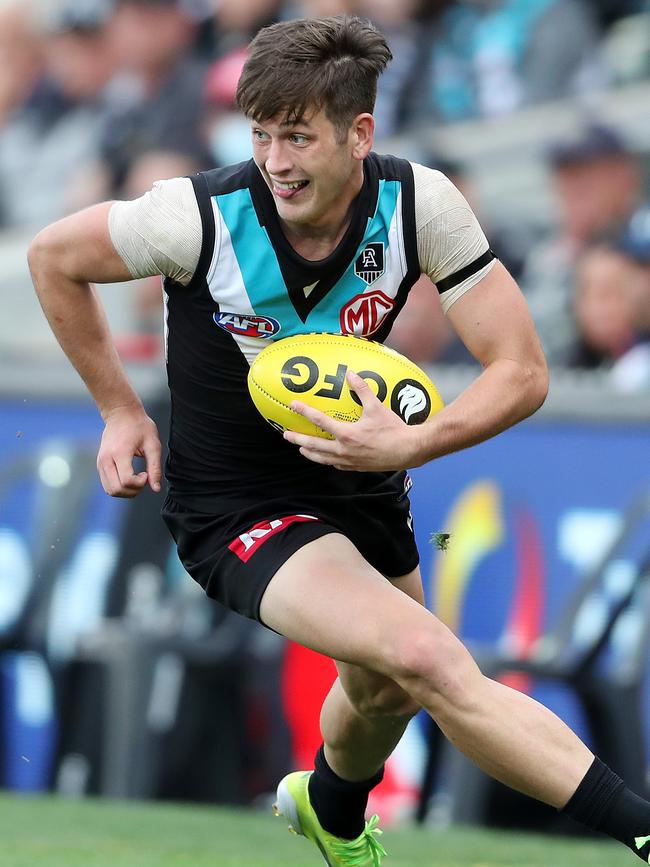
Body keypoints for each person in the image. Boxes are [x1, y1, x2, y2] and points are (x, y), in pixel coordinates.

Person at [28, 15, 650, 867]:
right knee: (429, 655)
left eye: (297, 136)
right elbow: (53, 258)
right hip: (237, 504)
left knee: (383, 685)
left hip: (364, 482)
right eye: (260, 134)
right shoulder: (197, 217)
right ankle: (641, 826)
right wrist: (120, 410)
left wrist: (413, 444)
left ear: (359, 133)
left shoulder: (419, 204)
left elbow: (523, 370)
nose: (275, 161)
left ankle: (329, 805)